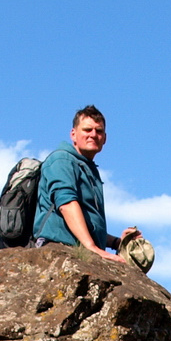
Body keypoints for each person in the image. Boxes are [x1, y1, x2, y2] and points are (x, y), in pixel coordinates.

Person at [32, 105, 141, 260]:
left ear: (105, 138)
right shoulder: (62, 160)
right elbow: (66, 204)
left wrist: (117, 242)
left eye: (99, 131)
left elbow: (88, 222)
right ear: (73, 134)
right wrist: (92, 247)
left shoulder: (89, 169)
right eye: (87, 130)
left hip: (80, 250)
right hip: (58, 247)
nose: (93, 135)